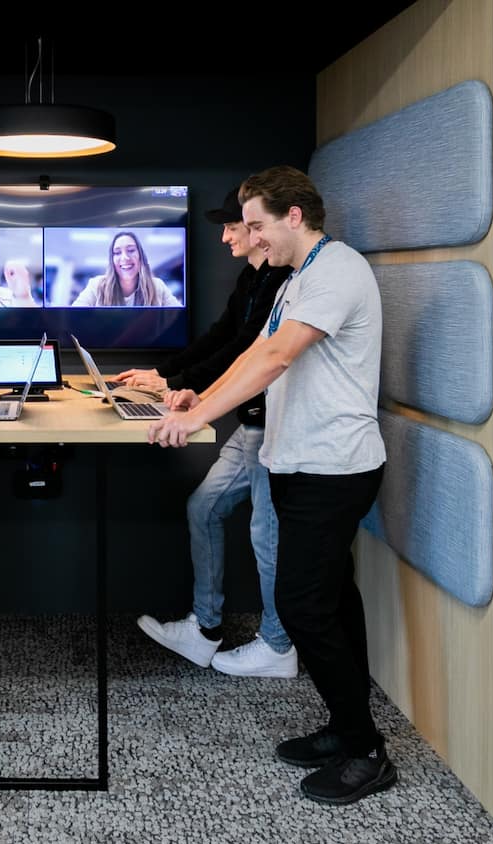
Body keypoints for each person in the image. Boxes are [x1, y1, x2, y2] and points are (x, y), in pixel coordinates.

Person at [145, 166, 391, 805]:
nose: (251, 237)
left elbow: (279, 356)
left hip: (333, 465)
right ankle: (346, 728)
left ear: (294, 216)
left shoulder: (336, 271)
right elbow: (257, 354)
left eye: (256, 225)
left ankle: (366, 749)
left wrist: (196, 417)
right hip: (299, 461)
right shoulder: (298, 280)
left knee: (306, 605)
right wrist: (203, 396)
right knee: (333, 598)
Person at [125, 184, 297, 677]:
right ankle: (204, 629)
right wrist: (168, 377)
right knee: (203, 508)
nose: (225, 237)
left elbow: (247, 353)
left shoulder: (284, 282)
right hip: (249, 426)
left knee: (268, 537)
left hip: (275, 429)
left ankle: (278, 646)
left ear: (259, 227)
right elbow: (221, 336)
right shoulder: (252, 278)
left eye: (233, 226)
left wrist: (187, 391)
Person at [69, 231, 181, 307]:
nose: (125, 258)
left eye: (131, 250)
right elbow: (74, 315)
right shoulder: (96, 285)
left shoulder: (157, 286)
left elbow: (179, 317)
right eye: (117, 253)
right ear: (112, 260)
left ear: (140, 256)